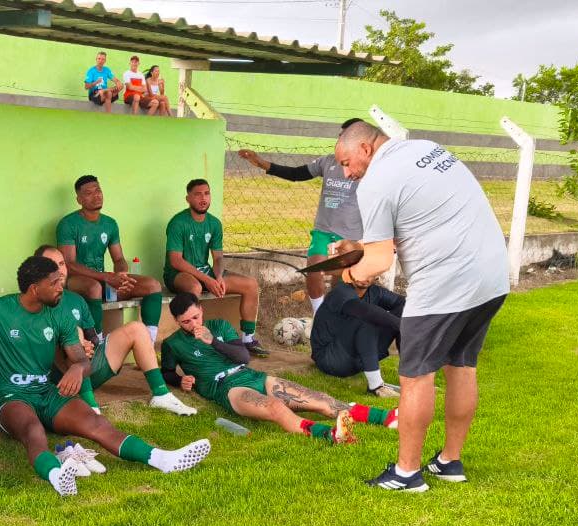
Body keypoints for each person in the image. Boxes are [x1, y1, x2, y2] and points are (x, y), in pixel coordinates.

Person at [334, 121, 510, 492]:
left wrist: (350, 276)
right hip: (492, 275)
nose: (347, 174)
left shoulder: (376, 181)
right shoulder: (425, 149)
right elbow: (413, 223)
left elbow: (379, 262)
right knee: (461, 364)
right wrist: (361, 247)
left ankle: (406, 473)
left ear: (365, 148)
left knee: (415, 376)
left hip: (445, 283)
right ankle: (449, 461)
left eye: (347, 162)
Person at [0, 255, 211, 497]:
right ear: (35, 289)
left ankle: (162, 459)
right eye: (53, 282)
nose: (60, 285)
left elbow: (83, 361)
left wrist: (77, 368)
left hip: (46, 392)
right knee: (32, 430)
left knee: (96, 423)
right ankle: (56, 475)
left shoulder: (59, 315)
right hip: (7, 394)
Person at [162, 293, 398, 444]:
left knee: (315, 399)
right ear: (176, 321)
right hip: (225, 387)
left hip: (250, 374)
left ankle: (385, 417)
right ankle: (328, 435)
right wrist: (179, 380)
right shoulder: (173, 344)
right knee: (274, 407)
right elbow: (167, 372)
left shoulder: (219, 326)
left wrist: (212, 341)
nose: (194, 324)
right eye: (186, 321)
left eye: (196, 317)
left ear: (201, 310)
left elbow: (243, 356)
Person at [34, 245, 197, 419]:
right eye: (52, 265)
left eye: (61, 264)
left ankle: (161, 394)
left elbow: (94, 337)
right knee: (73, 331)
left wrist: (89, 346)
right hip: (58, 377)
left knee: (136, 328)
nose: (59, 270)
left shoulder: (76, 300)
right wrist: (75, 343)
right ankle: (90, 405)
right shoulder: (35, 303)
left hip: (86, 370)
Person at [237, 118, 365, 314]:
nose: (339, 138)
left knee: (343, 284)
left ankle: (340, 320)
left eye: (344, 135)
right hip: (323, 232)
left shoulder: (368, 169)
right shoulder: (327, 162)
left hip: (350, 237)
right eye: (339, 135)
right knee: (313, 270)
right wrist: (261, 163)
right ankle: (319, 316)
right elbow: (296, 173)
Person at [164, 178, 269, 357]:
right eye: (197, 194)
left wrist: (218, 277)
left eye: (206, 193)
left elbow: (218, 257)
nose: (203, 198)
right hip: (179, 274)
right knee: (194, 287)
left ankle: (248, 339)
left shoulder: (214, 223)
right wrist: (207, 279)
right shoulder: (178, 223)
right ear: (188, 198)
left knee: (250, 284)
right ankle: (194, 341)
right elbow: (176, 261)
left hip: (206, 273)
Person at [56, 175, 163, 342]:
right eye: (89, 193)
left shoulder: (110, 223)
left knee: (153, 286)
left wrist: (121, 276)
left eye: (98, 190)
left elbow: (119, 258)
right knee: (94, 288)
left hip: (102, 280)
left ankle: (149, 342)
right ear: (79, 199)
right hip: (75, 282)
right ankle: (97, 343)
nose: (96, 195)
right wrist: (106, 277)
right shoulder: (68, 224)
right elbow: (69, 265)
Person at [311, 276, 404, 397]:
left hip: (356, 358)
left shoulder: (375, 291)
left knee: (405, 311)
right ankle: (376, 386)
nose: (365, 275)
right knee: (368, 318)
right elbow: (366, 312)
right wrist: (407, 328)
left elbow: (403, 303)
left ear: (376, 275)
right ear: (350, 272)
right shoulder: (341, 291)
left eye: (369, 271)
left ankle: (410, 378)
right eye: (361, 270)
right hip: (330, 357)